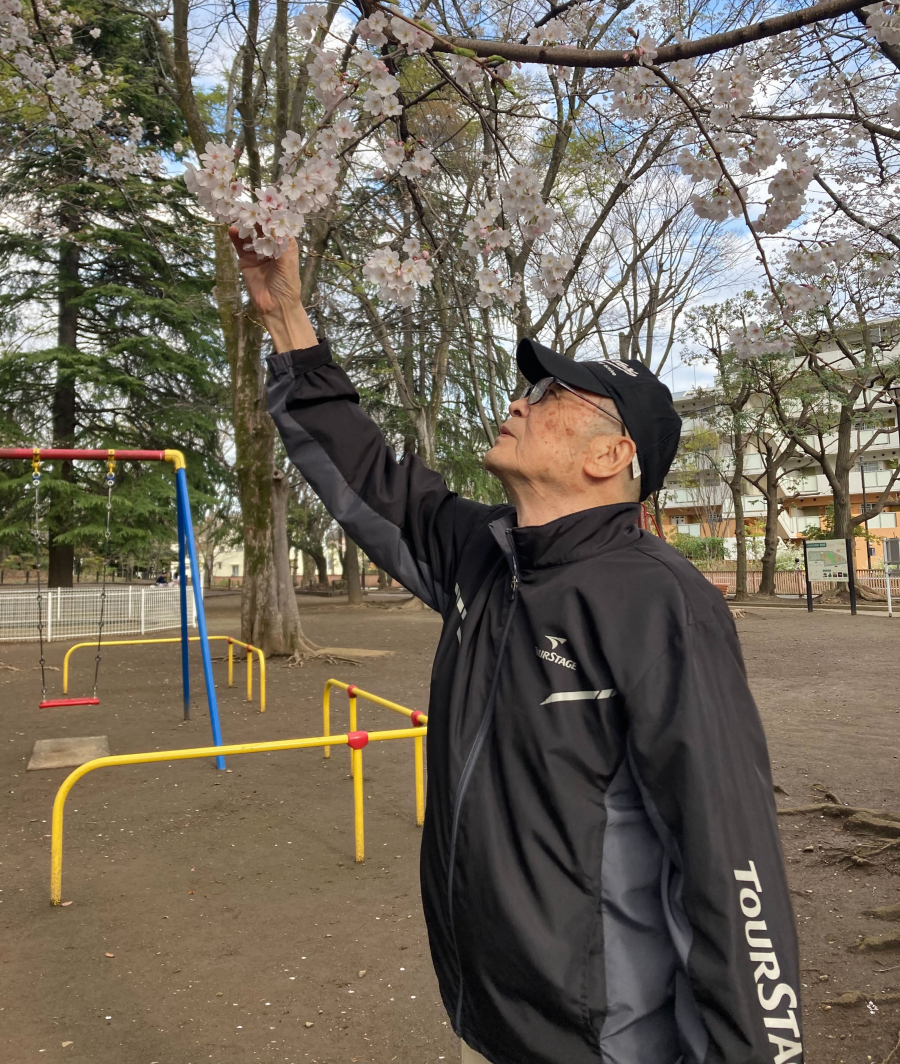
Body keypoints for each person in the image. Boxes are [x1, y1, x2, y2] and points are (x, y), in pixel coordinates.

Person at [234, 230, 802, 1064]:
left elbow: (730, 857)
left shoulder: (661, 603)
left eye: (551, 394)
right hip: (489, 1020)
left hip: (603, 1044)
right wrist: (286, 315)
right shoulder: (484, 555)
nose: (520, 401)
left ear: (611, 455)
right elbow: (365, 470)